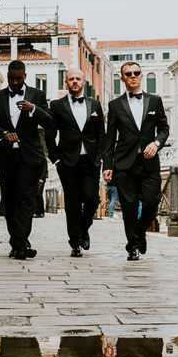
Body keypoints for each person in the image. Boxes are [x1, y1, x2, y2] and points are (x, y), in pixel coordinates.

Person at [0, 60, 53, 260]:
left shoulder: (37, 96)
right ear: (7, 75)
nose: (15, 82)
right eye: (12, 78)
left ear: (25, 76)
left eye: (19, 78)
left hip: (29, 157)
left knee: (25, 200)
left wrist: (33, 109)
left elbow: (49, 121)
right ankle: (18, 243)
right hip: (6, 157)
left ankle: (20, 243)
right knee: (11, 201)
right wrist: (3, 133)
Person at [102, 61, 170, 261]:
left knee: (152, 202)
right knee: (129, 206)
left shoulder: (155, 101)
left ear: (141, 76)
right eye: (128, 74)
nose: (133, 76)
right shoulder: (115, 105)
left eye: (136, 73)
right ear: (122, 78)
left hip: (149, 163)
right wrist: (107, 165)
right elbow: (109, 137)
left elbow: (164, 129)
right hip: (124, 163)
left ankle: (140, 232)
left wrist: (156, 143)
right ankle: (132, 246)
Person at [47, 68, 105, 257]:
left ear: (84, 81)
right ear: (66, 82)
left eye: (77, 79)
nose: (74, 82)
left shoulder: (95, 105)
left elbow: (101, 134)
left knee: (92, 199)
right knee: (72, 202)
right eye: (71, 79)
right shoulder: (56, 105)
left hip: (90, 161)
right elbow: (50, 134)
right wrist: (55, 159)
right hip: (67, 162)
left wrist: (100, 157)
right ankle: (75, 243)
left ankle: (83, 228)